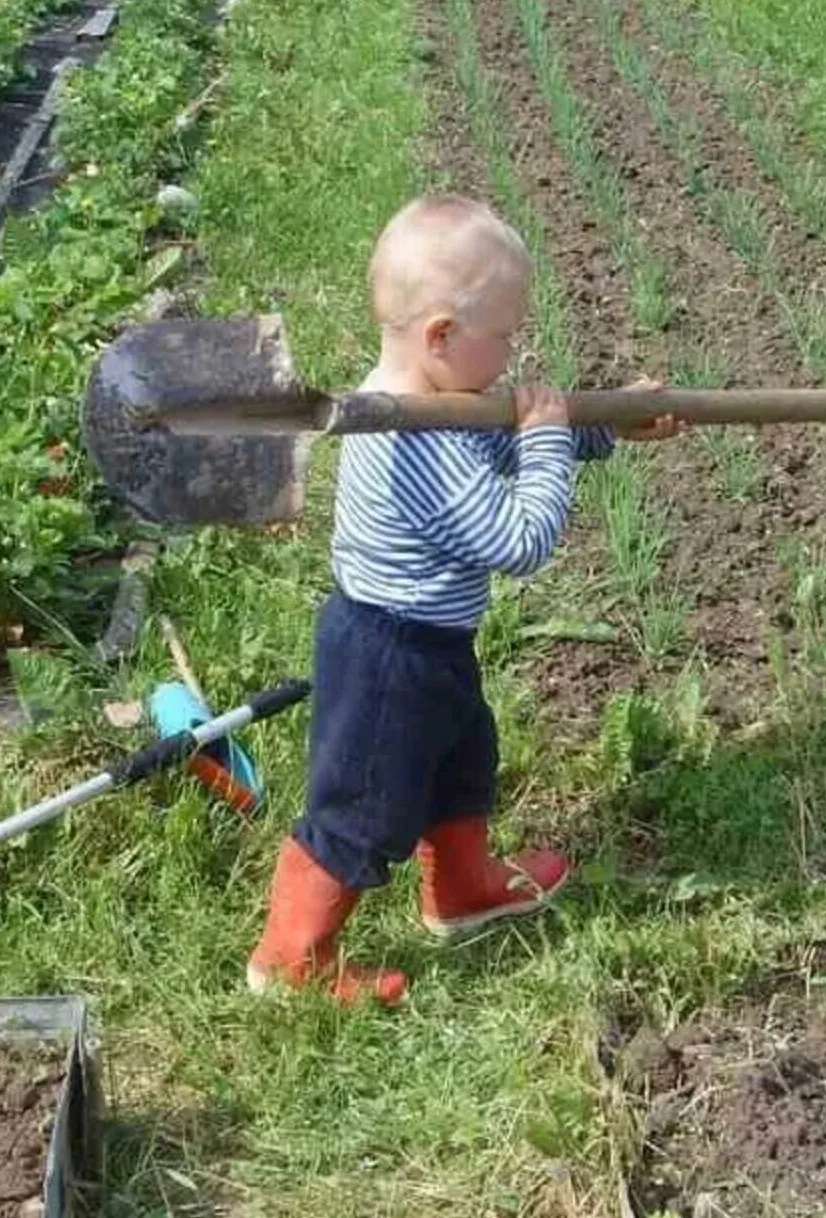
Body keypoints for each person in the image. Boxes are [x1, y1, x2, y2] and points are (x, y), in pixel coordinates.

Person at [247, 195, 683, 1004]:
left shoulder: (437, 400)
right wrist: (549, 438)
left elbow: (499, 445)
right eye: (508, 335)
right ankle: (289, 962)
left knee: (461, 767)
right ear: (442, 335)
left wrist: (607, 424)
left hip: (430, 645)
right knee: (363, 809)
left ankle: (460, 890)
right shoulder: (412, 438)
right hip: (389, 655)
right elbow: (519, 540)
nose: (516, 353)